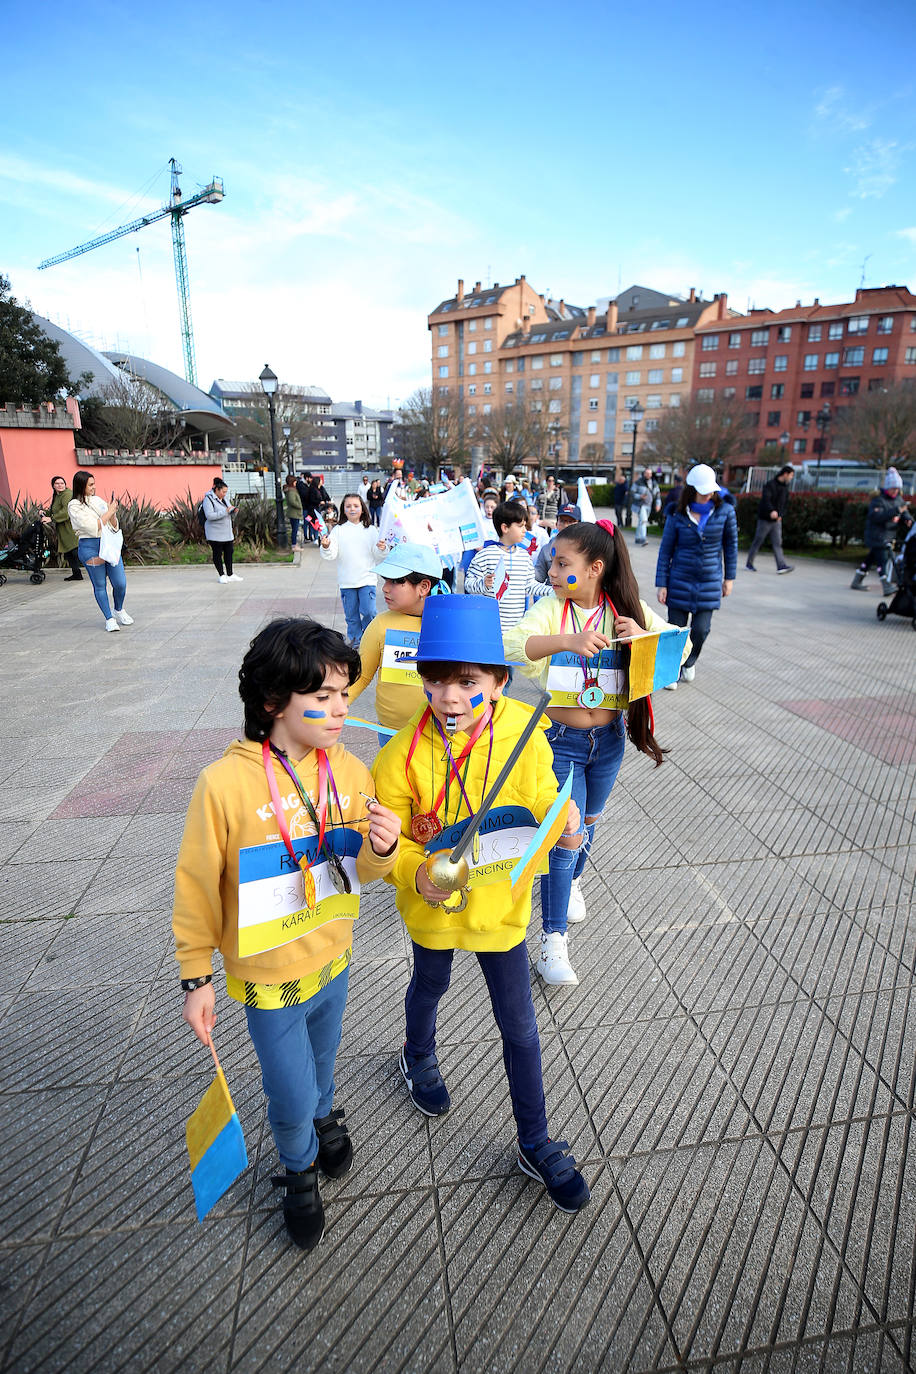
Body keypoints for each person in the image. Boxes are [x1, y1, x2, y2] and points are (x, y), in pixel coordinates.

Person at [173, 617, 400, 1250]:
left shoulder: (351, 772)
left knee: (322, 1064)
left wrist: (385, 848)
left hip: (334, 956)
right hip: (268, 975)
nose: (340, 710)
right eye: (322, 698)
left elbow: (364, 868)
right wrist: (196, 975)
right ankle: (297, 1167)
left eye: (344, 695)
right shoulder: (224, 784)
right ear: (274, 703)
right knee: (289, 1088)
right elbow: (194, 884)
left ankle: (324, 1116)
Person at [371, 595, 589, 1214]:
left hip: (499, 912)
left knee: (519, 1025)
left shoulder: (526, 733)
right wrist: (416, 875)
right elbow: (397, 847)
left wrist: (565, 826)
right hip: (435, 911)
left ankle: (534, 1139)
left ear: (497, 683)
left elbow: (547, 803)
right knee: (429, 982)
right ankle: (416, 1056)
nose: (449, 697)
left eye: (468, 681)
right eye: (437, 680)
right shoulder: (399, 758)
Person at [505, 520, 674, 985]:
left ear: (595, 568)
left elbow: (681, 646)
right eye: (552, 563)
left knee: (589, 823)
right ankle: (552, 941)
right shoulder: (549, 607)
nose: (553, 571)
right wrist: (566, 641)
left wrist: (642, 634)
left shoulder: (624, 608)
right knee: (565, 831)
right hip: (560, 741)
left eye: (564, 564)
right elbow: (511, 645)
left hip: (610, 741)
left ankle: (573, 879)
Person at [348, 542, 445, 735]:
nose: (384, 588)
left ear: (424, 586)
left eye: (395, 581)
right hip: (390, 732)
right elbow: (361, 676)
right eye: (385, 580)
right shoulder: (380, 624)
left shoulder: (447, 625)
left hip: (438, 733)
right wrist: (334, 704)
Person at [655, 463, 738, 685]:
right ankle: (672, 670)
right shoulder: (677, 513)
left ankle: (690, 662)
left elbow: (731, 546)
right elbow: (666, 550)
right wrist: (662, 583)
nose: (708, 494)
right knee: (675, 630)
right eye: (703, 490)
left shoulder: (725, 512)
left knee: (701, 630)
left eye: (710, 489)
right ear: (692, 489)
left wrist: (729, 579)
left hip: (709, 580)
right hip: (679, 578)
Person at [465, 500, 550, 633]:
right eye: (521, 526)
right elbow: (468, 584)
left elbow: (530, 585)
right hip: (488, 627)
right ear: (505, 528)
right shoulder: (486, 555)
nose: (525, 530)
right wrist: (483, 583)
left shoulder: (524, 556)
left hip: (515, 629)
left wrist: (553, 591)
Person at [67, 471, 132, 632]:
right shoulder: (74, 505)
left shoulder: (97, 500)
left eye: (94, 483)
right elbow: (92, 526)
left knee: (120, 583)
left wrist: (112, 515)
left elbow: (113, 524)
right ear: (81, 486)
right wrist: (109, 512)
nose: (94, 487)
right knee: (100, 584)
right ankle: (109, 618)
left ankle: (119, 610)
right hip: (90, 546)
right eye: (90, 485)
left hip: (108, 544)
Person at [319, 492, 386, 642]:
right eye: (348, 506)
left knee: (369, 612)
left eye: (356, 506)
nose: (352, 509)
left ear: (362, 508)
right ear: (343, 510)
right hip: (347, 582)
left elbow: (378, 554)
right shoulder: (338, 530)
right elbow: (331, 554)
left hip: (367, 579)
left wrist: (382, 548)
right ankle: (356, 642)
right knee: (351, 616)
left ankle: (369, 639)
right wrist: (326, 546)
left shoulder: (371, 530)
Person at [851, 468, 905, 593]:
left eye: (897, 488)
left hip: (888, 534)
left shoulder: (898, 500)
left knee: (870, 559)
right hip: (876, 535)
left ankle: (857, 580)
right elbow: (877, 517)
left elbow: (904, 512)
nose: (895, 491)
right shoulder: (878, 501)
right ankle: (886, 584)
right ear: (887, 487)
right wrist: (896, 511)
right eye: (893, 488)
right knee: (882, 558)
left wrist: (907, 519)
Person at [745, 465, 795, 574]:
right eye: (791, 475)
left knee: (777, 543)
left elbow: (785, 504)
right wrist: (771, 511)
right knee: (758, 541)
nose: (791, 478)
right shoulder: (770, 485)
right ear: (785, 474)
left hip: (776, 521)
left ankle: (781, 566)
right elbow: (766, 500)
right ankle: (749, 563)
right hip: (765, 519)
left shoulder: (785, 488)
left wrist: (780, 514)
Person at [41, 475, 82, 580]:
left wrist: (51, 519)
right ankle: (77, 574)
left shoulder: (67, 494)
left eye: (62, 483)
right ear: (53, 486)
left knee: (75, 551)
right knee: (69, 552)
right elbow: (55, 510)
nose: (60, 485)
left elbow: (66, 511)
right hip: (63, 528)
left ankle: (99, 569)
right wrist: (45, 513)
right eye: (57, 483)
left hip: (70, 527)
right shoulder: (58, 495)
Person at [203, 478, 242, 583]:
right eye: (223, 492)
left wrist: (233, 511)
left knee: (229, 552)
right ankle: (221, 575)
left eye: (226, 492)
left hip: (227, 532)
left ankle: (230, 574)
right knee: (217, 553)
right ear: (217, 490)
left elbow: (229, 510)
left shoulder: (224, 499)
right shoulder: (208, 499)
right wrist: (225, 512)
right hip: (215, 532)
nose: (225, 494)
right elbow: (209, 515)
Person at [533, 503, 580, 583]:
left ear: (579, 524)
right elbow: (538, 578)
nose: (566, 525)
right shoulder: (547, 549)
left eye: (570, 521)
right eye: (562, 521)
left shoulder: (586, 548)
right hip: (553, 592)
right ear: (556, 524)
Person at [631, 467, 661, 546]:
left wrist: (658, 504)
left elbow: (657, 494)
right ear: (644, 474)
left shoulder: (654, 483)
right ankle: (643, 538)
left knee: (641, 521)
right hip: (641, 505)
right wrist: (640, 496)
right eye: (647, 473)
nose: (648, 475)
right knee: (643, 521)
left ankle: (638, 538)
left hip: (649, 505)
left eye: (650, 473)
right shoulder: (638, 482)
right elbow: (632, 492)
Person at [283, 474, 302, 548]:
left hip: (294, 513)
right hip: (294, 513)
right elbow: (292, 501)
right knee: (295, 530)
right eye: (295, 481)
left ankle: (294, 544)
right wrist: (299, 506)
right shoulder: (291, 491)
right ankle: (294, 545)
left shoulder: (291, 490)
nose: (296, 483)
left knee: (295, 529)